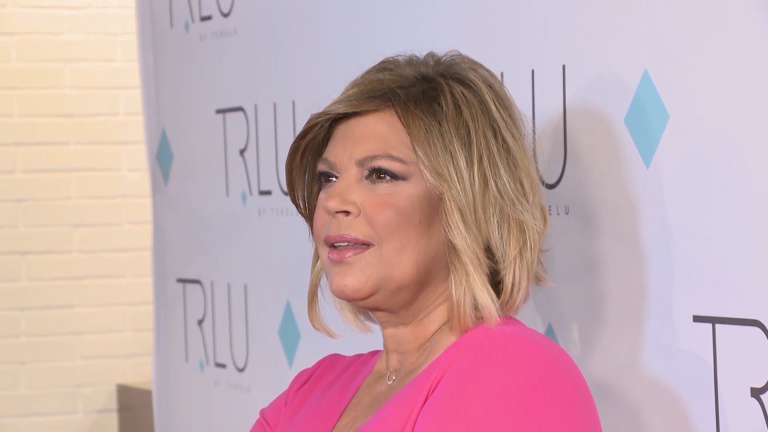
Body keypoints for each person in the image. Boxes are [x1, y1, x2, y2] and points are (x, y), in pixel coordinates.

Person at [251, 51, 601, 431]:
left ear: (464, 202)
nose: (333, 201)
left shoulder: (516, 372)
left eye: (380, 175)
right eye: (328, 178)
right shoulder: (313, 388)